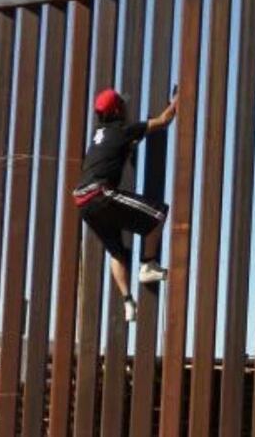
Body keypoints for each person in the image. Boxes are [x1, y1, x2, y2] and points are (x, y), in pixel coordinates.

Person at [72, 87, 177, 321]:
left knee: (116, 251)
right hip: (99, 194)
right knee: (158, 214)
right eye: (123, 103)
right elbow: (163, 121)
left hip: (82, 201)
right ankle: (148, 264)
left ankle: (128, 301)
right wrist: (177, 102)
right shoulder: (122, 130)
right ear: (119, 110)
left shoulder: (99, 134)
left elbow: (117, 149)